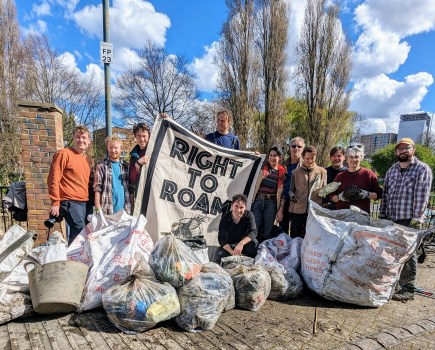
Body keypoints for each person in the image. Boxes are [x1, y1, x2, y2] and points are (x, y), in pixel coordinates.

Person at [379, 138, 433, 301]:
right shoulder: (392, 170)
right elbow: (385, 195)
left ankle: (408, 288)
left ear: (413, 150)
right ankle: (394, 283)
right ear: (396, 152)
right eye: (400, 149)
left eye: (406, 148)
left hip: (408, 219)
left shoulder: (421, 169)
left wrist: (417, 219)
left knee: (408, 255)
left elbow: (422, 196)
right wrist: (382, 215)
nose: (403, 151)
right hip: (391, 218)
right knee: (391, 254)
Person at [47, 126, 92, 245]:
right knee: (79, 229)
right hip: (69, 201)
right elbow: (53, 178)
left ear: (88, 141)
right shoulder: (63, 154)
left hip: (83, 202)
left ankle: (77, 257)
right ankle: (73, 260)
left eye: (84, 138)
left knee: (83, 231)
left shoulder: (87, 159)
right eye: (78, 137)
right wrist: (55, 202)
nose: (81, 140)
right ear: (73, 138)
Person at [330, 144, 382, 214]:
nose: (354, 160)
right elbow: (331, 196)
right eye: (351, 157)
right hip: (341, 216)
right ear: (347, 159)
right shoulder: (340, 176)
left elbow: (378, 195)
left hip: (362, 217)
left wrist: (366, 194)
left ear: (361, 158)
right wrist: (340, 197)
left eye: (356, 157)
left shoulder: (369, 174)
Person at [288, 146, 327, 238]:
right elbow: (291, 190)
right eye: (307, 158)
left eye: (312, 158)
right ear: (303, 157)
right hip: (298, 209)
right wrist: (292, 196)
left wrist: (324, 193)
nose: (309, 161)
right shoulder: (295, 172)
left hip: (314, 210)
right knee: (295, 236)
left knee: (310, 236)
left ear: (316, 157)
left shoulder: (322, 172)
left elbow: (325, 190)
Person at [251, 147, 287, 243]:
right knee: (254, 227)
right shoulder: (262, 166)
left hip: (271, 203)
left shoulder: (283, 172)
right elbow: (252, 163)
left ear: (280, 158)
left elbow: (283, 193)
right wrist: (255, 156)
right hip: (258, 201)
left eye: (275, 155)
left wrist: (280, 210)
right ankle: (251, 250)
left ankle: (263, 253)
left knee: (267, 230)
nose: (272, 157)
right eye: (270, 155)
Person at [94, 135, 131, 215]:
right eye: (110, 147)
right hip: (107, 211)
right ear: (107, 148)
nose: (113, 150)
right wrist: (97, 209)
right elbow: (97, 189)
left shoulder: (126, 167)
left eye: (116, 148)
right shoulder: (101, 167)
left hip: (125, 211)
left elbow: (130, 189)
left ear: (121, 148)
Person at [217, 194, 258, 261]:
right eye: (236, 206)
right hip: (231, 246)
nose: (238, 210)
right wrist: (232, 252)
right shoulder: (225, 218)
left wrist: (241, 244)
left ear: (245, 207)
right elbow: (221, 238)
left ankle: (248, 262)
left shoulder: (249, 215)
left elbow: (253, 232)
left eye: (241, 207)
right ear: (232, 205)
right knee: (220, 254)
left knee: (254, 243)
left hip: (244, 245)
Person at [281, 137, 305, 233]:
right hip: (283, 201)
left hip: (298, 201)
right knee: (282, 229)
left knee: (296, 231)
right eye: (294, 146)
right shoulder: (283, 164)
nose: (296, 148)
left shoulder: (306, 165)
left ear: (303, 149)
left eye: (299, 146)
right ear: (290, 148)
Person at [129, 123, 151, 192]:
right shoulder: (133, 156)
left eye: (144, 136)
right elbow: (132, 180)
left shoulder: (155, 151)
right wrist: (138, 164)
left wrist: (165, 120)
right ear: (135, 137)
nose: (141, 139)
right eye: (138, 136)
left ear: (149, 136)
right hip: (141, 193)